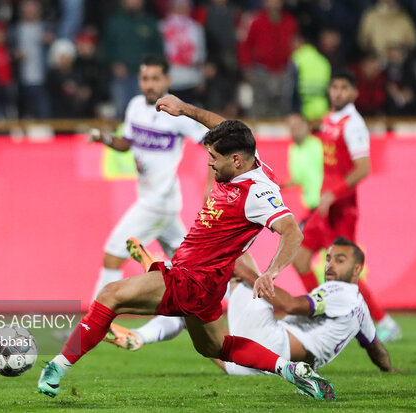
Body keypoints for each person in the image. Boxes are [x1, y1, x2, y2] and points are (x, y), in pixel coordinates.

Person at [38, 96, 337, 401]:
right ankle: (290, 370)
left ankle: (57, 367)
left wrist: (271, 272)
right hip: (208, 282)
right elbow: (223, 127)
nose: (209, 163)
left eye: (214, 158)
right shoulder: (247, 156)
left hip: (192, 279)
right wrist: (185, 110)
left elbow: (291, 233)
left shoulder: (257, 194)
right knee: (214, 347)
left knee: (109, 296)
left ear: (235, 161)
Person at [106, 237, 397, 377]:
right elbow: (375, 349)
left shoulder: (340, 292)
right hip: (258, 366)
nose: (330, 265)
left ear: (358, 268)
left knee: (235, 257)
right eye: (329, 258)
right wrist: (391, 371)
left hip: (269, 342)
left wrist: (257, 278)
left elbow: (291, 305)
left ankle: (164, 269)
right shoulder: (360, 310)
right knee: (192, 306)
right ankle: (141, 335)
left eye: (340, 260)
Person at [292, 71, 402, 343]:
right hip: (325, 206)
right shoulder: (330, 120)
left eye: (343, 88)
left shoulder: (354, 124)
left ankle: (385, 321)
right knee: (300, 259)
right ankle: (319, 315)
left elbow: (363, 168)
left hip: (342, 209)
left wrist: (334, 194)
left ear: (354, 93)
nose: (337, 92)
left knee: (345, 272)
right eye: (334, 87)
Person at [89, 56, 207, 300]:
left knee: (112, 256)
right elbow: (126, 144)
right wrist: (105, 138)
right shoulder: (134, 106)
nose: (150, 84)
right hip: (161, 203)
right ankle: (202, 306)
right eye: (145, 79)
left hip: (157, 202)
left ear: (167, 80)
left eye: (155, 79)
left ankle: (94, 321)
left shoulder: (178, 113)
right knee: (187, 265)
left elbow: (213, 144)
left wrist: (210, 185)